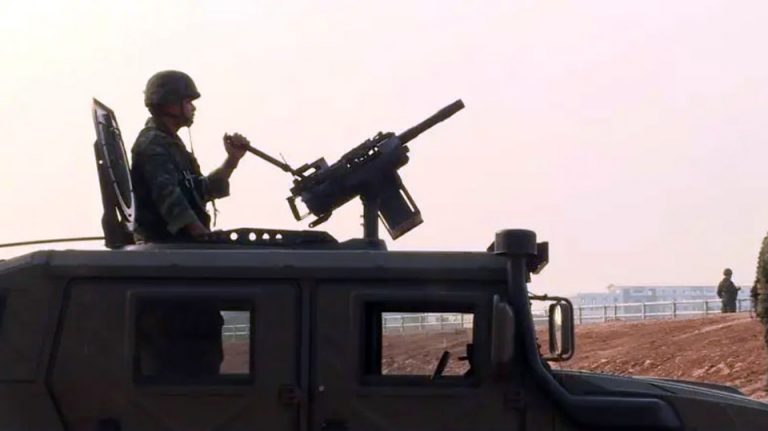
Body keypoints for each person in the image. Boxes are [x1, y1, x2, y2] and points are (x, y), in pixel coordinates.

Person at [130, 70, 249, 242]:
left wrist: (232, 160)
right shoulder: (152, 144)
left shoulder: (170, 143)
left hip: (177, 247)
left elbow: (200, 190)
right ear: (170, 104)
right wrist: (203, 236)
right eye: (188, 102)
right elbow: (170, 199)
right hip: (166, 248)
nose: (193, 108)